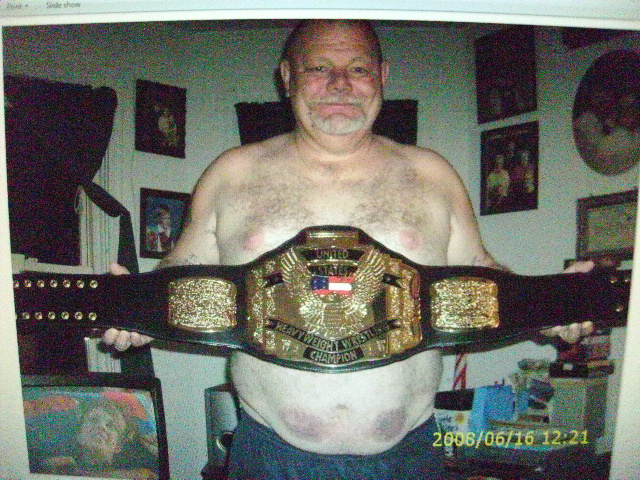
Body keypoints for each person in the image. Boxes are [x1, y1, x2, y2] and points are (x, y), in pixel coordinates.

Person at [104, 20, 593, 479]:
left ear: (381, 77)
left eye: (357, 68)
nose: (339, 83)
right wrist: (138, 307)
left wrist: (550, 303)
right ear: (287, 77)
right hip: (271, 456)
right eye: (319, 67)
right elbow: (185, 269)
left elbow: (479, 274)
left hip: (408, 457)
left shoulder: (432, 174)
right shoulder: (231, 173)